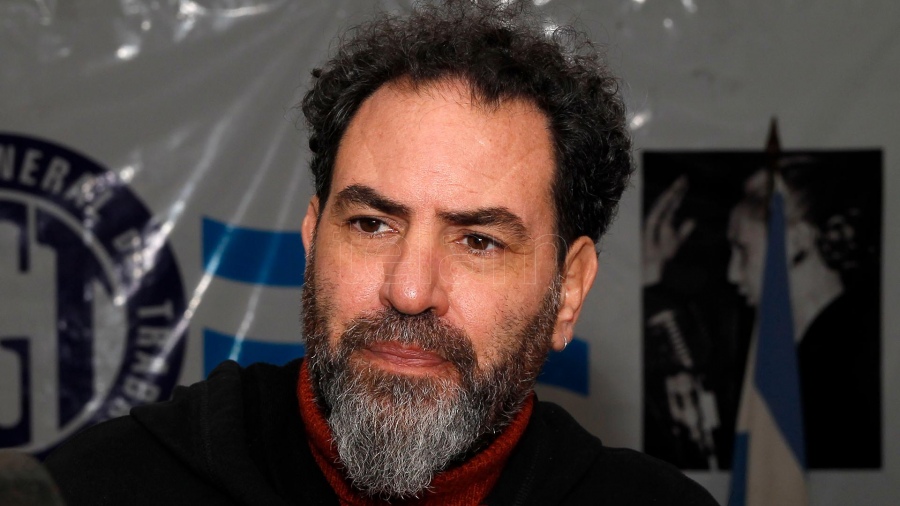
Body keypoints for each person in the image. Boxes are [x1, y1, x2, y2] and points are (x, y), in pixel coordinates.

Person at [44, 1, 719, 504]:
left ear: (568, 290)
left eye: (478, 241)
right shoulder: (108, 485)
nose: (410, 290)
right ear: (313, 240)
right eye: (372, 225)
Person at [726, 160, 881, 469]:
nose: (732, 274)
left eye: (742, 250)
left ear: (795, 241)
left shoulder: (851, 358)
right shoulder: (812, 348)